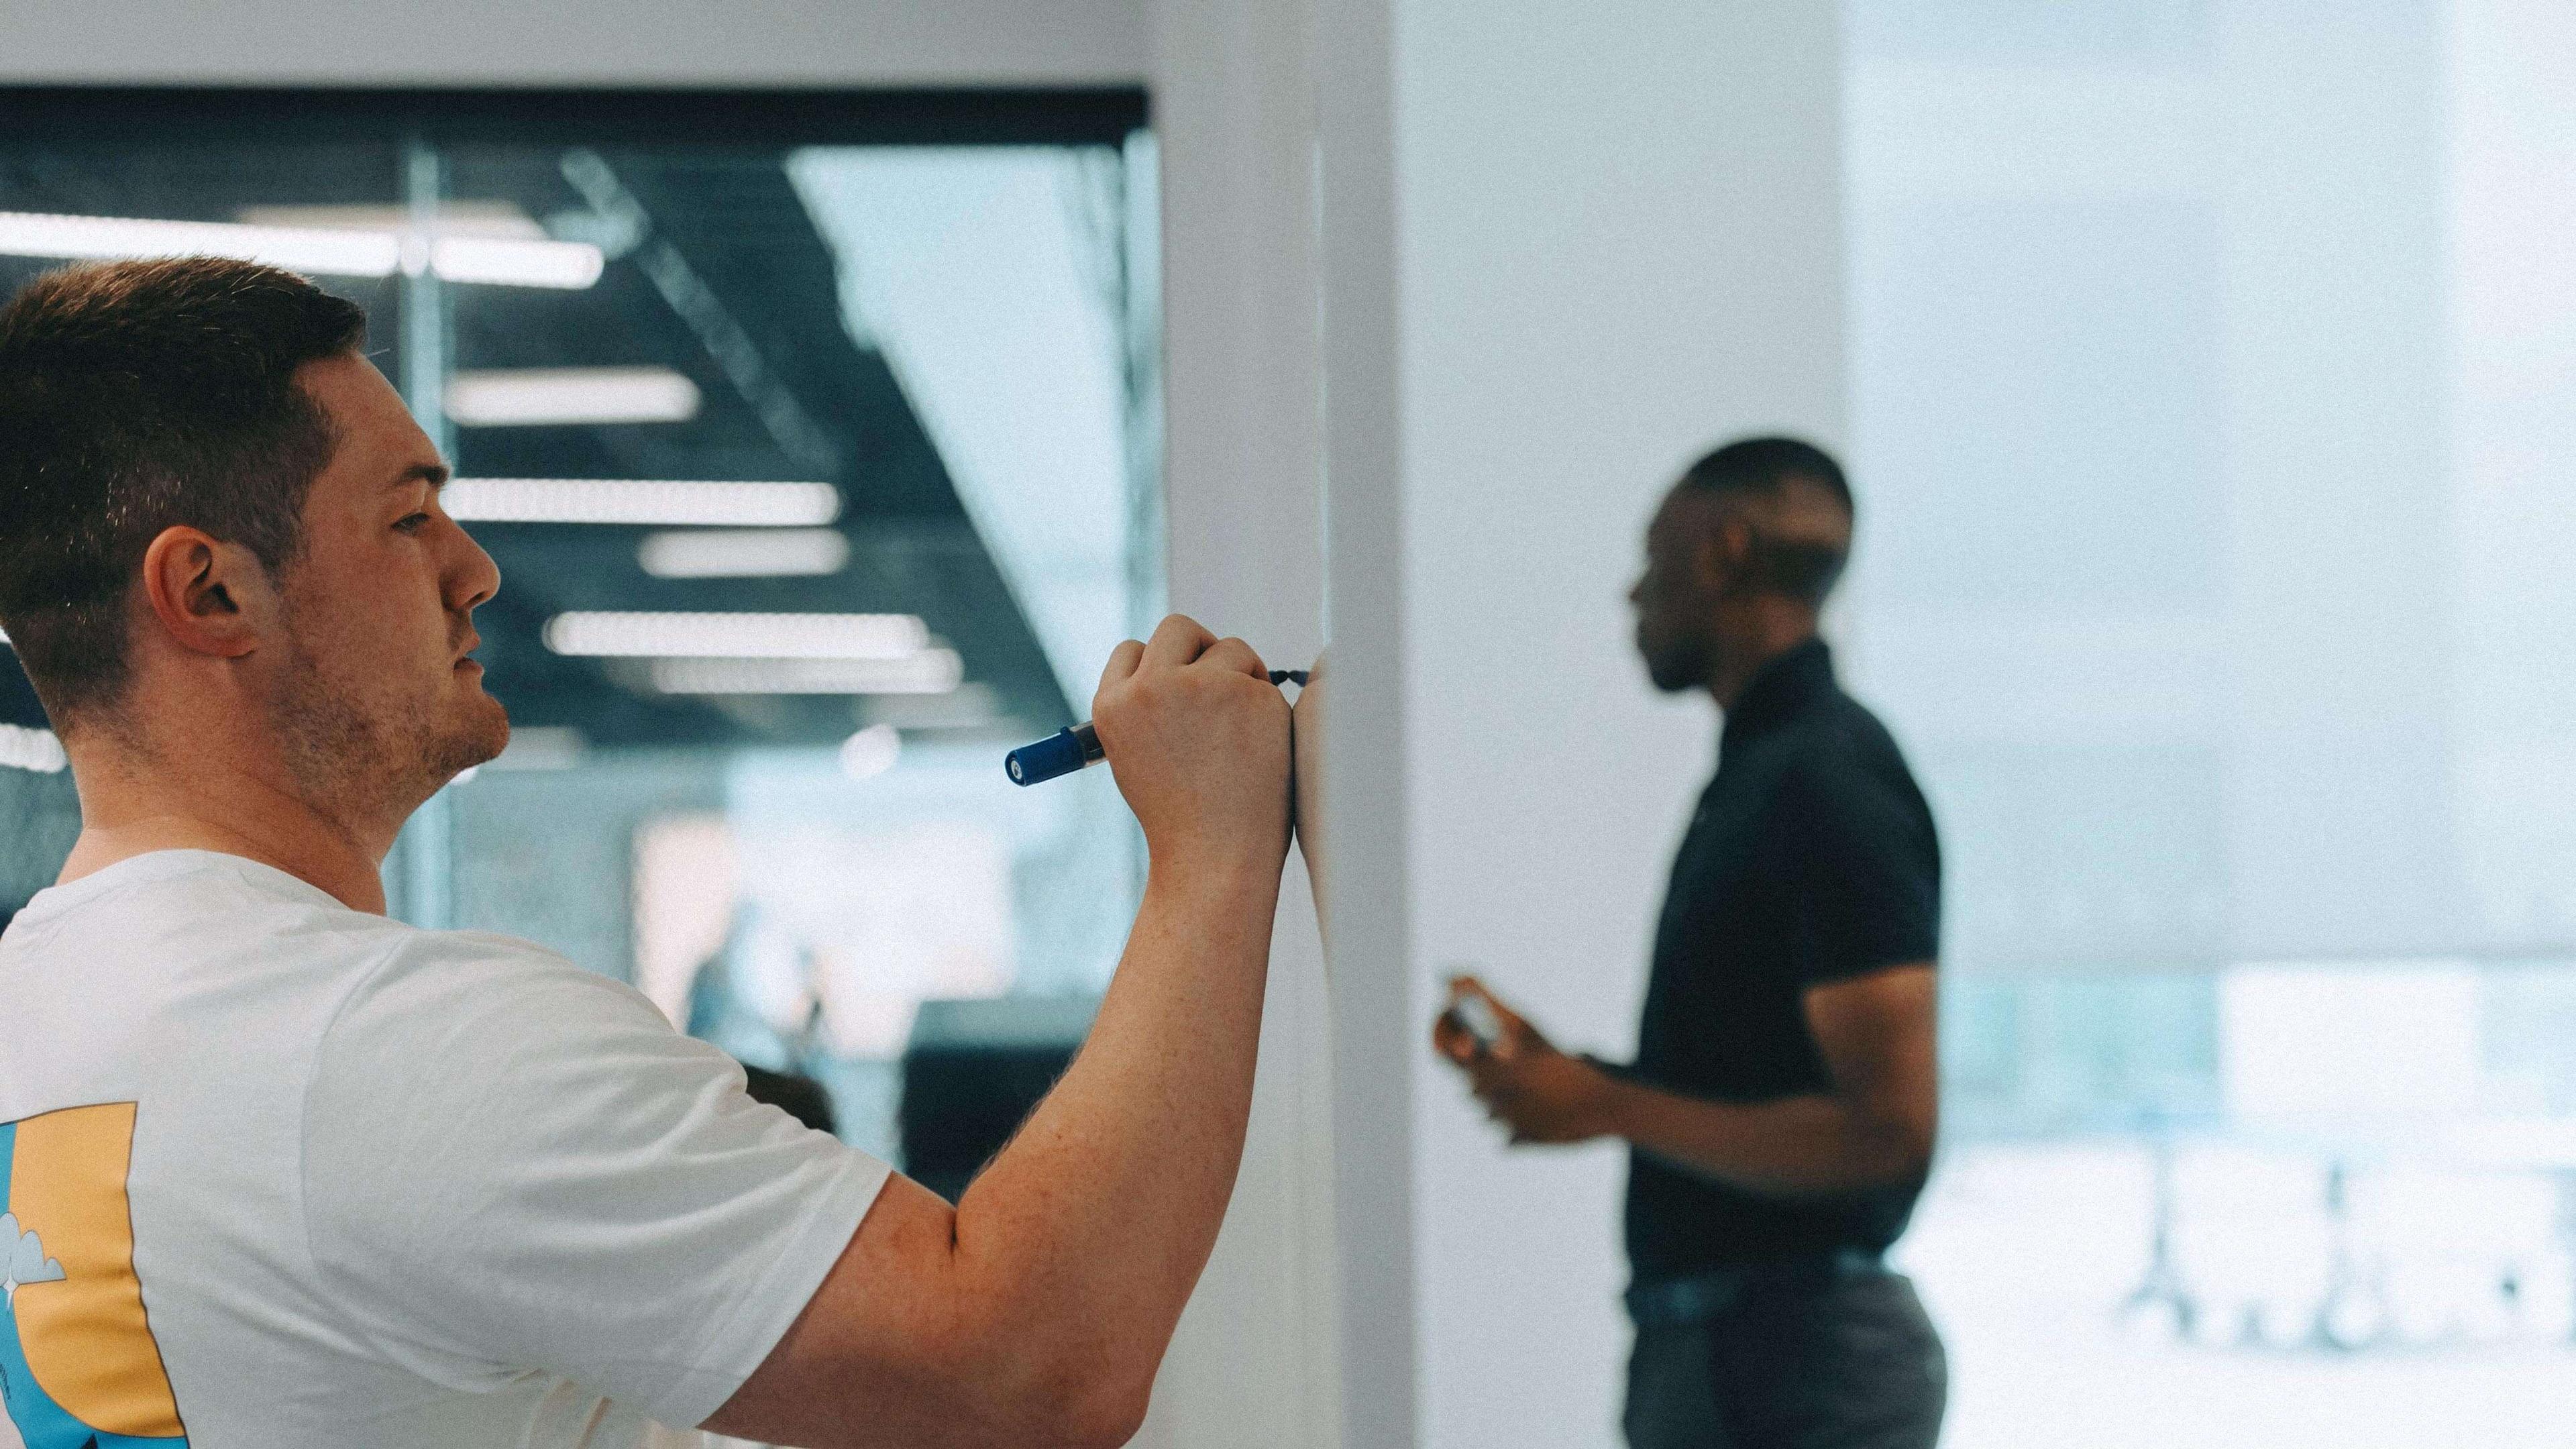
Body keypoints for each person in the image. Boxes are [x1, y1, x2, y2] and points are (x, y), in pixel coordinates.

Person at [0, 257, 1292, 1449]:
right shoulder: (400, 1048)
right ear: (211, 594)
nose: (477, 571)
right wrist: (1213, 848)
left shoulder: (35, 1025)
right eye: (408, 520)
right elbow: (1025, 1366)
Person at [1434, 437, 1946, 1449]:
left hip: (1795, 1371)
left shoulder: (1828, 778)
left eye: (1652, 556)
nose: (1633, 595)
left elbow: (1885, 1137)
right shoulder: (1770, 773)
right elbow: (1760, 1088)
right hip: (1743, 1361)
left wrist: (1607, 1104)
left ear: (1724, 551)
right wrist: (1572, 1084)